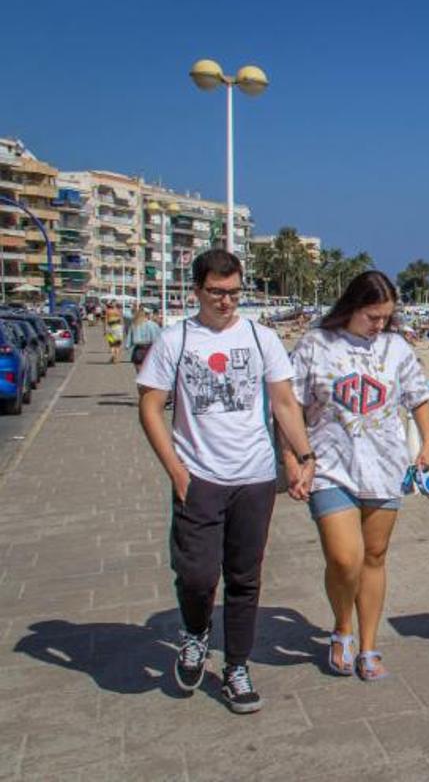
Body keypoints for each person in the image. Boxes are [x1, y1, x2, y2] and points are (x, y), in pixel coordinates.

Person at [136, 249, 315, 714]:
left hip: (254, 477)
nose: (226, 301)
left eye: (234, 292)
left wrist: (304, 454)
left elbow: (284, 403)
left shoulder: (262, 338)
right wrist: (175, 468)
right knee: (196, 574)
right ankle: (196, 633)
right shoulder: (176, 340)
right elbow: (150, 406)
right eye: (217, 292)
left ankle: (237, 666)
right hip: (199, 477)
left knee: (244, 577)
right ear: (197, 290)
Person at [287, 271, 429, 681]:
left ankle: (368, 644)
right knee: (343, 557)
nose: (380, 325)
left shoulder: (396, 348)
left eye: (386, 317)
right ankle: (342, 627)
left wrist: (428, 442)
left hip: (385, 466)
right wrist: (291, 458)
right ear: (351, 308)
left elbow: (419, 397)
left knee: (374, 556)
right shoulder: (315, 345)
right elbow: (289, 406)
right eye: (373, 316)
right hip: (329, 466)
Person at [125, 307, 162, 372]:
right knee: (149, 374)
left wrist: (128, 347)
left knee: (139, 375)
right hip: (150, 350)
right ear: (148, 315)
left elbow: (128, 342)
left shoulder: (134, 325)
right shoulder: (153, 325)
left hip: (138, 350)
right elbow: (159, 339)